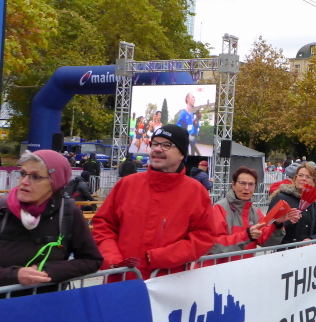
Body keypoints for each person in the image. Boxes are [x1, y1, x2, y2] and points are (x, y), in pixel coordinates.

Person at [93, 125, 216, 280]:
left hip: (169, 285)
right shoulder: (127, 184)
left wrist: (161, 257)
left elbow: (204, 237)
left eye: (166, 145)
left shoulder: (196, 192)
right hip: (122, 281)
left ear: (181, 154)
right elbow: (103, 226)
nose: (158, 149)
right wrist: (113, 260)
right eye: (155, 144)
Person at [0, 151, 102, 294]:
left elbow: (92, 260)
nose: (24, 181)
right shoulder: (2, 210)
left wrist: (47, 271)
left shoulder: (68, 212)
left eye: (35, 177)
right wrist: (14, 275)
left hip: (48, 303)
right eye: (22, 174)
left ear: (55, 182)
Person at [209, 167, 294, 260]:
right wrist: (246, 236)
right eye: (242, 183)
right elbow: (214, 245)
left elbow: (265, 241)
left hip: (246, 266)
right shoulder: (219, 209)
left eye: (251, 184)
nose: (246, 188)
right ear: (233, 185)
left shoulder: (256, 212)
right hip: (221, 267)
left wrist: (277, 224)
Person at [268, 162, 316, 246]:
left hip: (306, 251)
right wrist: (286, 222)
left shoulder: (315, 205)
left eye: (308, 177)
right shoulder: (281, 198)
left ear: (314, 183)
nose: (303, 179)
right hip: (284, 250)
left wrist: (311, 239)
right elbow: (267, 225)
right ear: (295, 179)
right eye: (300, 175)